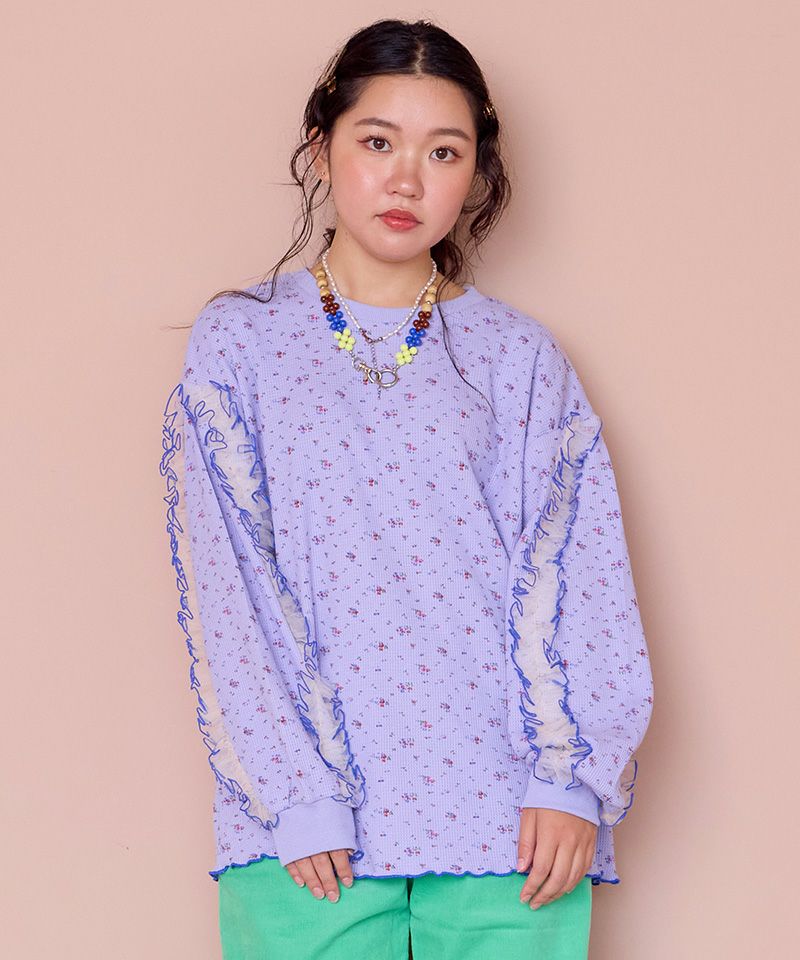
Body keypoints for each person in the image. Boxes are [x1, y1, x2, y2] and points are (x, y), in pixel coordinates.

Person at [159, 17, 654, 960]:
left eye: (444, 152)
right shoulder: (242, 342)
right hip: (307, 833)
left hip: (511, 822)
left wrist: (570, 779)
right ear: (322, 149)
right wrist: (296, 793)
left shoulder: (518, 356)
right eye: (378, 142)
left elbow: (578, 566)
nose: (406, 180)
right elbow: (228, 580)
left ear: (477, 174)